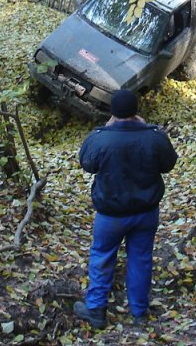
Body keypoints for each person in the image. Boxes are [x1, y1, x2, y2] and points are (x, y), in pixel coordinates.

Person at [74, 89, 177, 329]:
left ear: (112, 112)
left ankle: (96, 310)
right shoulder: (154, 137)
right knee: (141, 259)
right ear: (136, 110)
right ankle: (139, 312)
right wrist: (148, 128)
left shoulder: (101, 138)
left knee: (102, 256)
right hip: (146, 211)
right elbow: (168, 164)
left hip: (110, 214)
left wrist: (105, 128)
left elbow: (87, 163)